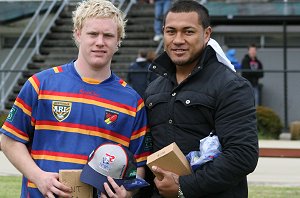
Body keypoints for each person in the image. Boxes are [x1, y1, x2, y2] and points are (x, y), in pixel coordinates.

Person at [0, 0, 152, 197]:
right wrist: (38, 177)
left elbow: (138, 164)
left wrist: (127, 194)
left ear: (118, 40)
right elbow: (9, 140)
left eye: (108, 36)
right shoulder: (40, 84)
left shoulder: (132, 102)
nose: (100, 42)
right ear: (78, 34)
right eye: (92, 34)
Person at [143, 0, 259, 197]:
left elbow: (242, 155)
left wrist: (184, 187)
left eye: (188, 31)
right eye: (171, 31)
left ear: (206, 34)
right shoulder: (153, 88)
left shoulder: (231, 86)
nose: (178, 39)